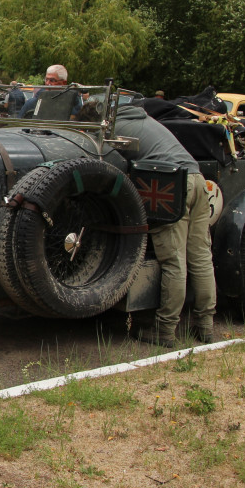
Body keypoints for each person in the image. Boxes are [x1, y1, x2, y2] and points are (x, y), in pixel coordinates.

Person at [89, 100, 216, 347]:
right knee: (201, 256)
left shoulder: (113, 126)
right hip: (197, 179)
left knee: (173, 260)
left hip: (171, 183)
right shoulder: (144, 119)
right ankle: (206, 326)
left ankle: (165, 329)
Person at [18, 64, 83, 118]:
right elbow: (18, 126)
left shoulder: (74, 103)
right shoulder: (32, 103)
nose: (48, 83)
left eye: (52, 80)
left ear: (63, 83)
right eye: (46, 79)